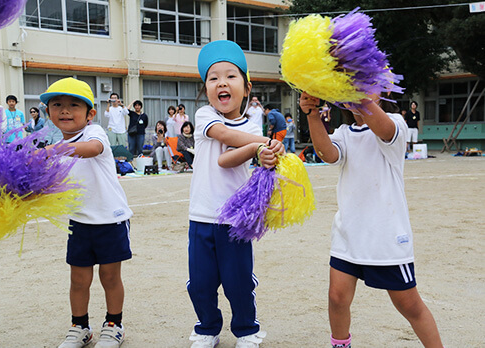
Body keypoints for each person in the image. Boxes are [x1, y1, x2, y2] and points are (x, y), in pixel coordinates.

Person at [300, 91, 444, 348]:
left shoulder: (395, 123)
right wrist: (312, 116)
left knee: (409, 305)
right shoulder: (345, 132)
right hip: (349, 235)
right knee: (337, 298)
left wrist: (359, 95)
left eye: (362, 80)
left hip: (386, 237)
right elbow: (327, 154)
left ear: (385, 89)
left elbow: (384, 129)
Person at [187, 39, 284, 348]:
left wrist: (266, 153)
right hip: (202, 217)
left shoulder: (253, 122)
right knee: (201, 283)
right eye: (213, 78)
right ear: (206, 88)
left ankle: (246, 330)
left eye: (231, 76)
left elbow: (229, 158)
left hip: (236, 220)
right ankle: (207, 329)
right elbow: (225, 139)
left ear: (246, 86)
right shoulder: (205, 116)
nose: (221, 83)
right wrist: (261, 144)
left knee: (238, 281)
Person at [40, 77, 132, 348]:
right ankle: (79, 327)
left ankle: (114, 325)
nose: (65, 110)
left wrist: (54, 150)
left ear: (90, 114)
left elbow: (92, 150)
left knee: (110, 276)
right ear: (49, 112)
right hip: (79, 222)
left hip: (110, 220)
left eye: (74, 105)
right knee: (78, 279)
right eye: (57, 104)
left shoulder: (95, 134)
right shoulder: (56, 148)